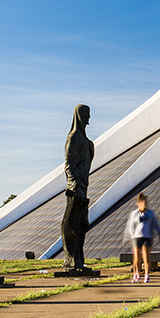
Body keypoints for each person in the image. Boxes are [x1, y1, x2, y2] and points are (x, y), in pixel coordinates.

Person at [62, 104, 94, 271]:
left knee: (83, 224)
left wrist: (91, 151)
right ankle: (71, 261)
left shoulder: (85, 140)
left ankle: (79, 260)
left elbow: (85, 164)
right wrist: (76, 184)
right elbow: (68, 164)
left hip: (84, 186)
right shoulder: (73, 137)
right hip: (76, 188)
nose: (89, 118)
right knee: (72, 223)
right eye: (87, 114)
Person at [125, 193, 160, 283]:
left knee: (146, 256)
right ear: (139, 204)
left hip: (147, 237)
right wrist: (132, 236)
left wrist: (159, 233)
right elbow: (131, 226)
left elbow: (155, 224)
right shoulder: (134, 214)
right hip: (137, 237)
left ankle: (147, 275)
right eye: (143, 203)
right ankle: (136, 274)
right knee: (137, 256)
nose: (145, 204)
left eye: (146, 202)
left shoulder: (150, 213)